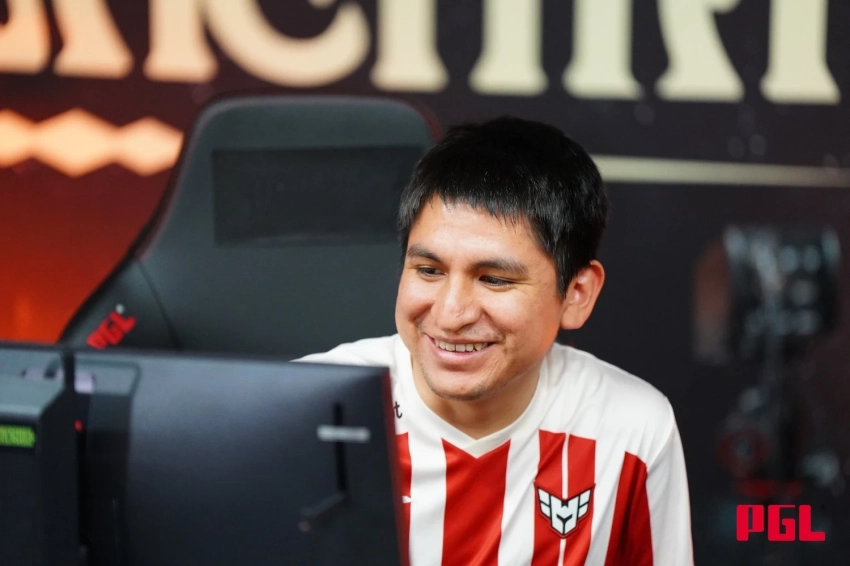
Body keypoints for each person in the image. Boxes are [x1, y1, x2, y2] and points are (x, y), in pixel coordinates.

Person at [298, 116, 693, 565]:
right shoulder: (309, 413)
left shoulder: (633, 430)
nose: (451, 314)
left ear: (576, 294)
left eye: (494, 279)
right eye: (428, 270)